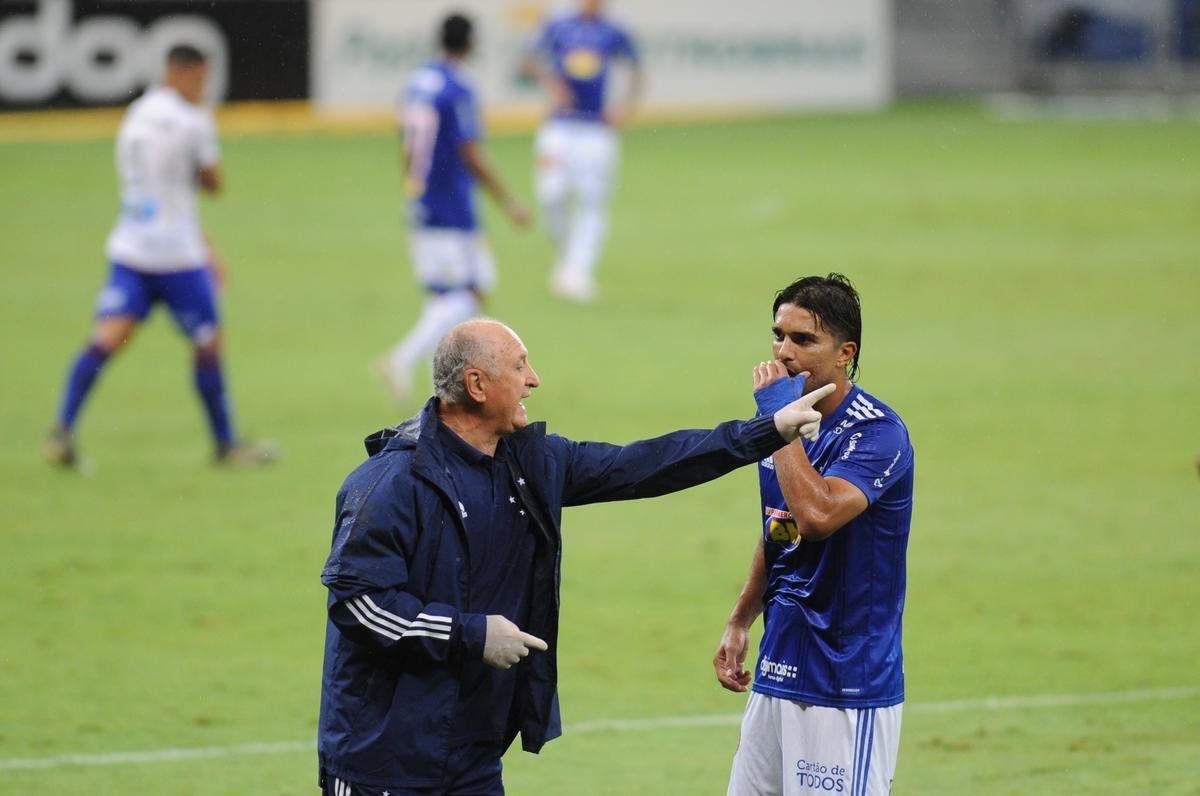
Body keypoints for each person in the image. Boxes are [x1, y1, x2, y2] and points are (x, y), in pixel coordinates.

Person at [318, 318, 835, 795]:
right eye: (519, 366)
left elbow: (643, 464)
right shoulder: (391, 485)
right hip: (382, 763)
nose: (534, 380)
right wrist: (472, 634)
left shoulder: (527, 462)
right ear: (477, 386)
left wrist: (766, 431)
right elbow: (359, 605)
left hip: (470, 753)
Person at [713, 274, 915, 796]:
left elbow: (817, 515)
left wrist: (777, 428)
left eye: (803, 340)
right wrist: (741, 620)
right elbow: (779, 525)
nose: (783, 353)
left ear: (845, 352)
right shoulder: (782, 423)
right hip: (781, 664)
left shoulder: (877, 433)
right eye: (778, 336)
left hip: (846, 681)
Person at [43, 45, 275, 468]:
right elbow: (214, 183)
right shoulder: (193, 120)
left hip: (131, 250)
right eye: (202, 78)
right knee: (207, 342)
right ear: (186, 73)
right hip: (176, 259)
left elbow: (160, 192)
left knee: (107, 338)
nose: (204, 87)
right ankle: (225, 445)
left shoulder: (137, 113)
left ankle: (62, 428)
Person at [375, 14, 531, 406]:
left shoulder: (417, 82)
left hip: (421, 198)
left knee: (442, 297)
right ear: (470, 44)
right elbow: (469, 151)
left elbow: (408, 142)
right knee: (473, 290)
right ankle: (402, 359)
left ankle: (441, 391)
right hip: (451, 203)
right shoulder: (458, 88)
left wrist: (412, 188)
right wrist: (509, 201)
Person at [523, 0, 642, 303]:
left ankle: (578, 274)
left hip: (595, 130)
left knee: (591, 203)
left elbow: (636, 67)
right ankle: (567, 262)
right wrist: (552, 84)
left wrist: (625, 108)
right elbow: (528, 61)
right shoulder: (558, 25)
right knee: (551, 196)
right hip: (559, 128)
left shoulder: (613, 31)